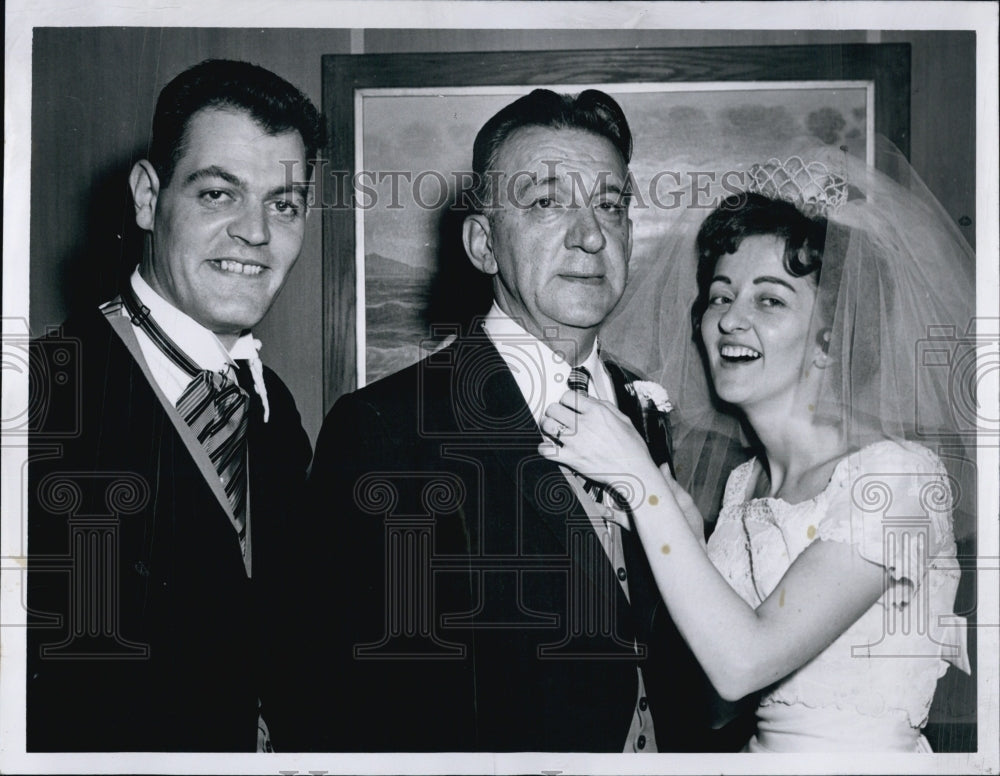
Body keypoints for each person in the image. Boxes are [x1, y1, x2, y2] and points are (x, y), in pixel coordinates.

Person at [306, 88, 719, 752]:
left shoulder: (647, 407)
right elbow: (349, 702)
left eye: (611, 207)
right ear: (482, 244)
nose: (590, 235)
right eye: (547, 203)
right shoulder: (386, 428)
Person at [541, 145, 974, 752]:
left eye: (769, 300)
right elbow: (718, 707)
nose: (729, 320)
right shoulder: (744, 486)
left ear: (832, 338)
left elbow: (744, 663)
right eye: (720, 295)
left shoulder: (896, 476)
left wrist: (640, 484)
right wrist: (687, 537)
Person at [27, 59, 322, 752]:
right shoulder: (36, 397)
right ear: (146, 196)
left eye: (284, 204)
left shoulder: (272, 406)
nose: (256, 232)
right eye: (219, 194)